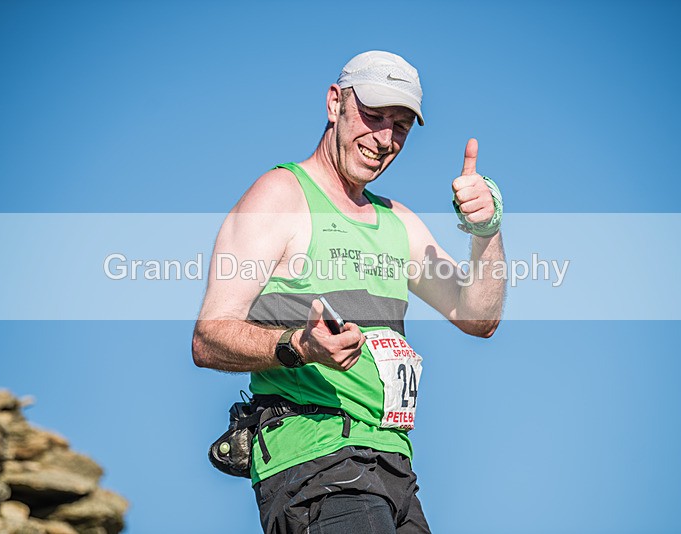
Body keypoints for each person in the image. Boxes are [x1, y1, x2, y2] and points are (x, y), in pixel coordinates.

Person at [193, 50, 505, 534]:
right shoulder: (280, 196)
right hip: (314, 461)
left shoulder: (398, 221)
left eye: (400, 126)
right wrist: (299, 345)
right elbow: (208, 338)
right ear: (334, 103)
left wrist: (485, 229)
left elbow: (477, 317)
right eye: (374, 116)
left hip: (393, 467)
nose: (384, 139)